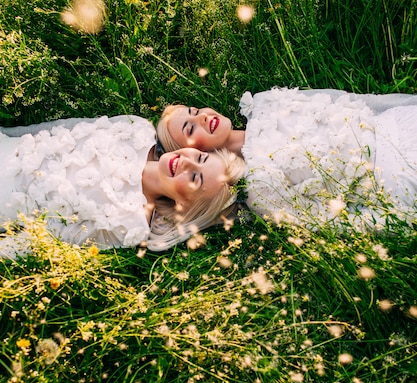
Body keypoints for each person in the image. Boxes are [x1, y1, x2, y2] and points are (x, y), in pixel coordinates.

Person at [157, 88, 417, 229]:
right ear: (195, 152)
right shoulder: (261, 189)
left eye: (194, 111)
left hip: (400, 122)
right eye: (190, 129)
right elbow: (338, 221)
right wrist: (403, 221)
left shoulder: (264, 102)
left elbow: (355, 101)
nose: (202, 117)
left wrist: (407, 105)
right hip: (397, 179)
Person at [0, 115, 246, 259]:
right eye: (200, 158)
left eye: (194, 178)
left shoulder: (129, 223)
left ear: (185, 204)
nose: (186, 162)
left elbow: (46, 239)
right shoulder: (137, 129)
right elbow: (58, 129)